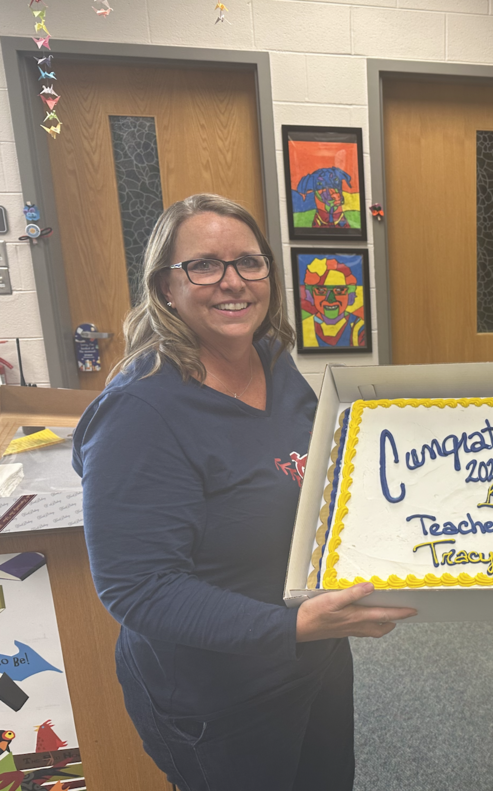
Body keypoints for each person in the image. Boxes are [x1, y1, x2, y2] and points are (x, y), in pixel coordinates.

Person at [72, 194, 415, 791]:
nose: (233, 282)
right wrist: (290, 629)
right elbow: (138, 588)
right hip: (219, 696)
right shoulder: (139, 412)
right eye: (204, 265)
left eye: (249, 263)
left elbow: (321, 475)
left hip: (315, 653)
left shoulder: (274, 361)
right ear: (164, 287)